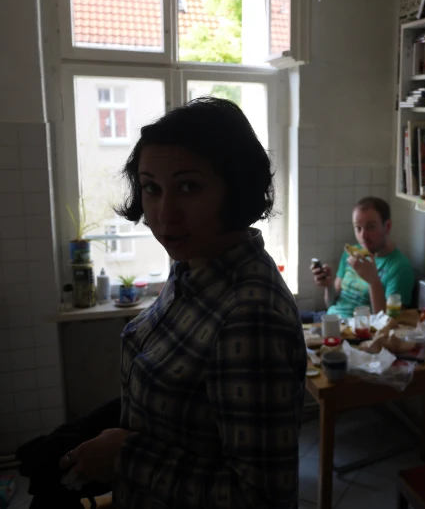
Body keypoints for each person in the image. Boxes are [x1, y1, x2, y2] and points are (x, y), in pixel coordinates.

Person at [52, 97, 306, 508]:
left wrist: (127, 458)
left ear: (237, 188)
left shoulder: (250, 317)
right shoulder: (190, 268)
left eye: (189, 187)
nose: (164, 214)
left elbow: (261, 498)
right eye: (151, 188)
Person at [311, 197, 414, 319]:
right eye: (358, 228)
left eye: (371, 227)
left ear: (387, 226)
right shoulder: (351, 254)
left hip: (355, 330)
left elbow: (388, 323)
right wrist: (328, 286)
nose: (363, 236)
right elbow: (331, 304)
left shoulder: (399, 268)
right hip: (328, 319)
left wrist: (373, 281)